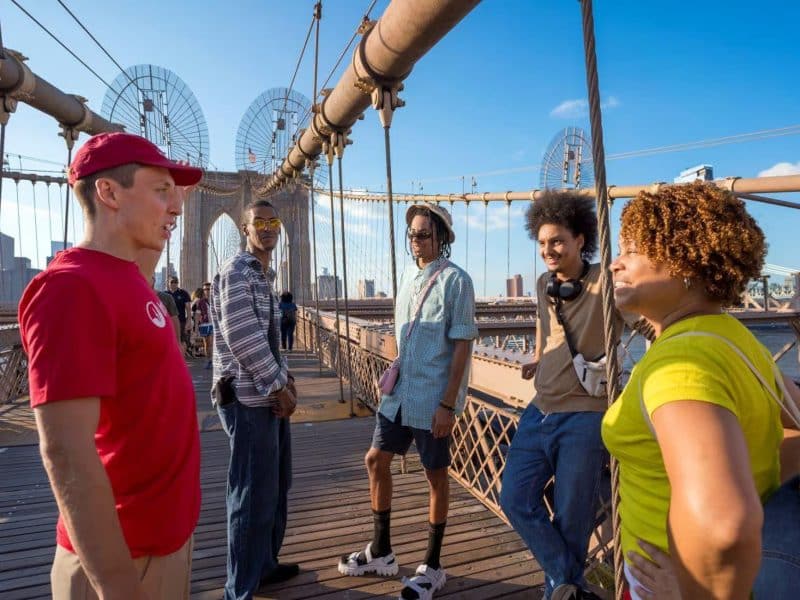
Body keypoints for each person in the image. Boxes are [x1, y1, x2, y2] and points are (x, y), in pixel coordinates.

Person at [18, 131, 202, 599]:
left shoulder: (131, 280)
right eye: (162, 191)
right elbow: (66, 450)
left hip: (161, 546)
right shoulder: (72, 288)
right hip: (122, 563)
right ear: (109, 192)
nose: (176, 206)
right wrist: (118, 585)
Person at [603, 181, 797, 599]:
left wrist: (692, 592)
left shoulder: (680, 362)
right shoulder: (735, 338)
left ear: (685, 259)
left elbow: (724, 525)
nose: (615, 264)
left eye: (632, 249)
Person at [338, 202, 478, 600]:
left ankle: (432, 565)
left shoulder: (458, 281)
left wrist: (449, 404)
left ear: (442, 238)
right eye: (412, 234)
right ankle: (381, 550)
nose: (416, 241)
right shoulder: (408, 277)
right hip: (398, 395)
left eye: (424, 234)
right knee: (375, 460)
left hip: (433, 397)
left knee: (435, 476)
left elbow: (463, 344)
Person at [499, 190, 624, 600]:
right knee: (515, 498)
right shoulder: (543, 283)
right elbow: (544, 324)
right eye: (542, 243)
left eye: (557, 241)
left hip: (585, 415)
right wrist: (538, 357)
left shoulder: (606, 283)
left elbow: (649, 324)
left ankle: (559, 589)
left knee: (572, 519)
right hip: (540, 409)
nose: (548, 250)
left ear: (580, 241)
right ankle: (571, 583)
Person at [210, 199, 299, 600]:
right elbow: (244, 339)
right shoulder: (237, 272)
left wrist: (286, 380)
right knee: (248, 493)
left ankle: (263, 564)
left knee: (274, 485)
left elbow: (268, 342)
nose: (267, 227)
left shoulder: (265, 277)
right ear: (245, 230)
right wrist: (279, 387)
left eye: (272, 221)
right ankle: (239, 589)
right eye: (258, 222)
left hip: (267, 397)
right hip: (248, 399)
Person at [167, 276, 192, 357]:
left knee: (182, 340)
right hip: (168, 322)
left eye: (176, 282)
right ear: (168, 283)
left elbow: (188, 309)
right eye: (172, 282)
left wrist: (188, 322)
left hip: (181, 321)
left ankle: (182, 359)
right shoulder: (165, 294)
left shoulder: (183, 293)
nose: (174, 284)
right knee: (170, 340)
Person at [192, 286, 212, 368]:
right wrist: (196, 328)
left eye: (209, 289)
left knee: (210, 343)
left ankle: (210, 360)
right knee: (207, 344)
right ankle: (208, 359)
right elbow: (197, 315)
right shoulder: (199, 302)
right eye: (206, 289)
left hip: (211, 324)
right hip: (204, 324)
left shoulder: (209, 300)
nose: (207, 291)